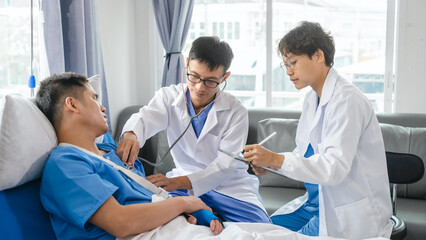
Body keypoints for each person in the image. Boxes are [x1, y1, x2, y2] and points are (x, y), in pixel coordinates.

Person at [243, 21, 393, 239]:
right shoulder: (312, 98)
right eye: (285, 65)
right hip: (317, 205)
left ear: (318, 55)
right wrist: (272, 166)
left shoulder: (346, 100)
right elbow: (305, 153)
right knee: (260, 229)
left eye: (293, 62)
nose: (288, 71)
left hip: (345, 212)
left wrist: (276, 159)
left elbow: (334, 167)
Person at [36, 73, 223, 240]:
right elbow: (120, 222)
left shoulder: (111, 152)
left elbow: (149, 202)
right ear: (72, 104)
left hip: (171, 228)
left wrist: (186, 214)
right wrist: (183, 203)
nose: (102, 108)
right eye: (94, 98)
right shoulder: (65, 164)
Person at [118, 36, 270, 223]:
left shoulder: (236, 112)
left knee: (260, 227)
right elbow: (144, 118)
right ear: (187, 64)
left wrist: (176, 183)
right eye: (194, 76)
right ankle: (205, 217)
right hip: (182, 182)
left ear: (224, 78)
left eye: (210, 81)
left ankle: (206, 217)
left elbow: (224, 166)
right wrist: (131, 134)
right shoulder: (168, 97)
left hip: (229, 187)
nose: (199, 87)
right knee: (159, 218)